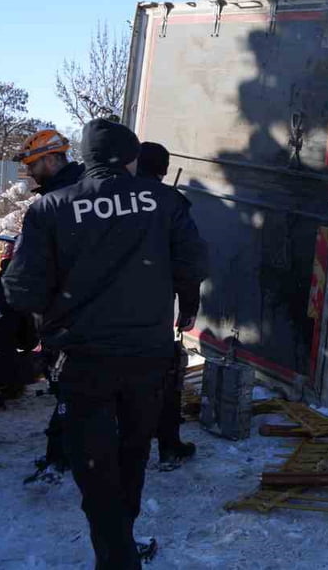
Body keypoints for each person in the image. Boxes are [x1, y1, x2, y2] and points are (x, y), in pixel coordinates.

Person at [5, 119, 207, 569]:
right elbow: (194, 262)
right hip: (146, 356)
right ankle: (121, 547)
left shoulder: (50, 209)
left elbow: (20, 291)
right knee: (133, 450)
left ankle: (115, 553)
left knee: (94, 462)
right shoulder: (165, 201)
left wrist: (60, 308)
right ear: (131, 158)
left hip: (83, 359)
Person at [12, 127, 81, 484]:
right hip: (79, 308)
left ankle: (63, 455)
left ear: (53, 159)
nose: (30, 172)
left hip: (65, 312)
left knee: (67, 384)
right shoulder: (80, 193)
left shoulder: (58, 202)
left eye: (35, 164)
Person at [137, 141, 197, 471]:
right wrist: (189, 308)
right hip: (156, 309)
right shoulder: (173, 203)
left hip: (110, 310)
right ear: (163, 170)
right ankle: (168, 446)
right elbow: (189, 263)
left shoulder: (114, 199)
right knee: (164, 376)